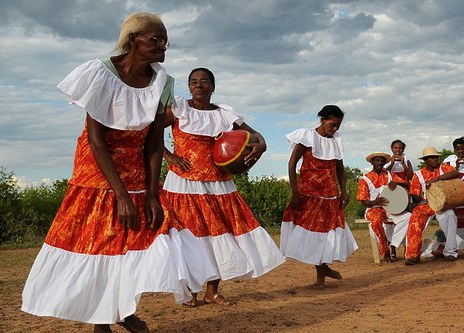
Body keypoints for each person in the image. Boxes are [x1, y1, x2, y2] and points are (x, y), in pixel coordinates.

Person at [21, 12, 211, 333]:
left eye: (165, 41)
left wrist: (152, 195)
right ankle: (103, 320)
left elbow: (153, 142)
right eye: (156, 39)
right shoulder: (100, 73)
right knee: (102, 241)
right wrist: (120, 195)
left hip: (136, 167)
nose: (163, 46)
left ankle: (122, 308)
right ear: (134, 39)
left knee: (141, 237)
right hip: (98, 169)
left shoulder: (163, 82)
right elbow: (96, 139)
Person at [161, 68, 285, 306]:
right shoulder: (180, 109)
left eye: (204, 81)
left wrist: (262, 145)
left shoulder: (225, 113)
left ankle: (212, 291)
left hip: (218, 183)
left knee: (221, 234)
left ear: (213, 86)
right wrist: (169, 156)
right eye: (194, 82)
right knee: (191, 236)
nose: (198, 86)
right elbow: (151, 131)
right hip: (184, 183)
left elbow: (257, 136)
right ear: (188, 87)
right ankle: (191, 293)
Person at [280, 105, 358, 287]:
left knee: (324, 235)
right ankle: (323, 271)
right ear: (322, 120)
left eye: (338, 125)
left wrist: (344, 191)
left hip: (329, 195)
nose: (335, 129)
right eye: (332, 124)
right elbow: (291, 165)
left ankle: (322, 275)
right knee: (311, 233)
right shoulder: (307, 137)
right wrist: (294, 192)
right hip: (307, 193)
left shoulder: (336, 140)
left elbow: (340, 168)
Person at [404, 147, 461, 265]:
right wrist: (418, 196)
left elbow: (455, 173)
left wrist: (437, 178)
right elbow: (414, 196)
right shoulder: (418, 174)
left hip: (442, 204)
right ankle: (413, 255)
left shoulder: (443, 168)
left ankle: (450, 252)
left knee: (450, 215)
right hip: (425, 204)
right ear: (425, 160)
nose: (434, 160)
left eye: (435, 157)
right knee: (415, 218)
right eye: (431, 158)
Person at [356, 152, 411, 262]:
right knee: (376, 220)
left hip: (391, 207)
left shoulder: (389, 175)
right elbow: (364, 202)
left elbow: (407, 184)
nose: (380, 163)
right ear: (372, 162)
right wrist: (374, 202)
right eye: (377, 160)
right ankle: (385, 251)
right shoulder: (365, 179)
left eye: (382, 161)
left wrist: (396, 183)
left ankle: (393, 244)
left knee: (408, 216)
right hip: (374, 208)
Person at [443, 136, 464, 253]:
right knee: (455, 221)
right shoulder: (449, 161)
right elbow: (447, 176)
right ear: (454, 149)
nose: (460, 152)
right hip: (455, 195)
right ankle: (455, 247)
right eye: (458, 149)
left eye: (462, 149)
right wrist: (456, 167)